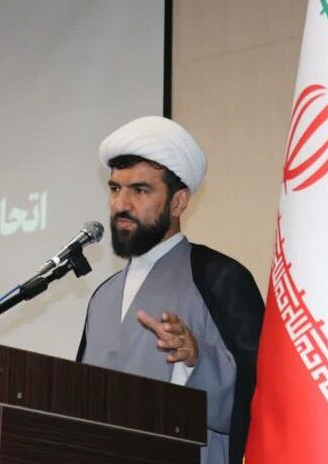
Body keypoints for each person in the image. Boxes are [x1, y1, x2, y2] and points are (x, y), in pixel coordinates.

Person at [76, 116, 264, 464]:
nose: (120, 204)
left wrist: (197, 359)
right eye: (115, 189)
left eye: (140, 190)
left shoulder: (220, 279)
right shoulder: (102, 297)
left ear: (178, 202)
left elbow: (262, 397)